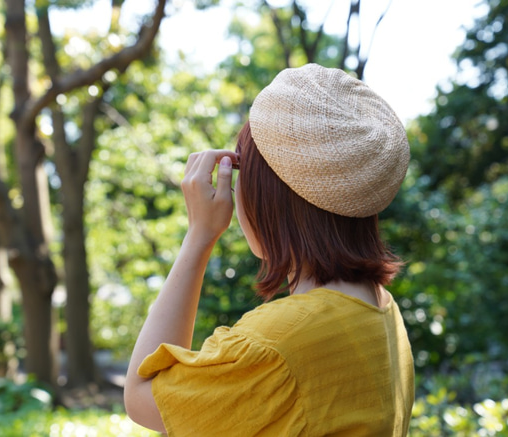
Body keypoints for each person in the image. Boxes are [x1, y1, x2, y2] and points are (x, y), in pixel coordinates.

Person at [124, 63, 414, 436]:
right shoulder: (384, 313)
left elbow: (143, 397)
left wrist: (199, 236)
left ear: (269, 193)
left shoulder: (276, 345)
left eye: (242, 169)